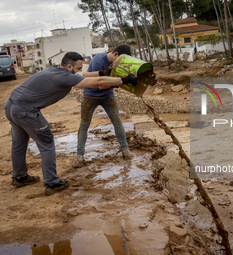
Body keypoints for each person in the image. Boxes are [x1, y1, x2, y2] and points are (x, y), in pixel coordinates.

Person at [4, 52, 138, 195]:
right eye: (79, 67)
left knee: (18, 144)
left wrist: (102, 72)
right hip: (26, 111)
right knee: (47, 143)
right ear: (69, 66)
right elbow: (98, 83)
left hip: (11, 106)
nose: (80, 70)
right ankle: (52, 183)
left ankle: (19, 177)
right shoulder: (64, 77)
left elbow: (83, 76)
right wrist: (123, 80)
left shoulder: (55, 69)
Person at [72, 44, 133, 168]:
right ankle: (80, 156)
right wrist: (121, 82)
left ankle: (125, 150)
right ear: (115, 54)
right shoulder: (98, 60)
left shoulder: (117, 63)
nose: (121, 64)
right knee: (84, 125)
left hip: (107, 95)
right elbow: (100, 85)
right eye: (120, 60)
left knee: (117, 121)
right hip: (90, 95)